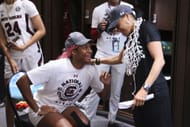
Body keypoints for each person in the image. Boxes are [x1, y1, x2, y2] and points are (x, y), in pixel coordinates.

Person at [92, 5, 173, 127]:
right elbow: (119, 58)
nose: (117, 30)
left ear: (127, 16)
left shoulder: (147, 28)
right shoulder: (130, 37)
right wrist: (97, 61)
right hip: (139, 94)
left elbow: (160, 60)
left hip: (154, 92)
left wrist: (145, 88)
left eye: (117, 25)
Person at [16, 32, 111, 127]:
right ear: (74, 51)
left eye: (89, 47)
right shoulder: (56, 66)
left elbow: (104, 97)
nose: (90, 51)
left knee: (84, 124)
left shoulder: (91, 69)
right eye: (85, 47)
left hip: (65, 107)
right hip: (44, 107)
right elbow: (21, 81)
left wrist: (106, 84)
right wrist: (37, 109)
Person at [77, 0, 134, 124]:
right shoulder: (98, 9)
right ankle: (87, 119)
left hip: (121, 54)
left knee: (116, 90)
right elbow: (92, 35)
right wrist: (99, 29)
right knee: (96, 88)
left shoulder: (129, 8)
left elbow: (133, 33)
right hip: (102, 53)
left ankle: (111, 121)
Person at [0, 0, 46, 126]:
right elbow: (2, 38)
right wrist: (9, 58)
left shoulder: (26, 4)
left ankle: (38, 122)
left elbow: (41, 30)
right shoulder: (1, 8)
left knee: (36, 91)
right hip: (12, 56)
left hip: (31, 54)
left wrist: (24, 46)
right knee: (9, 94)